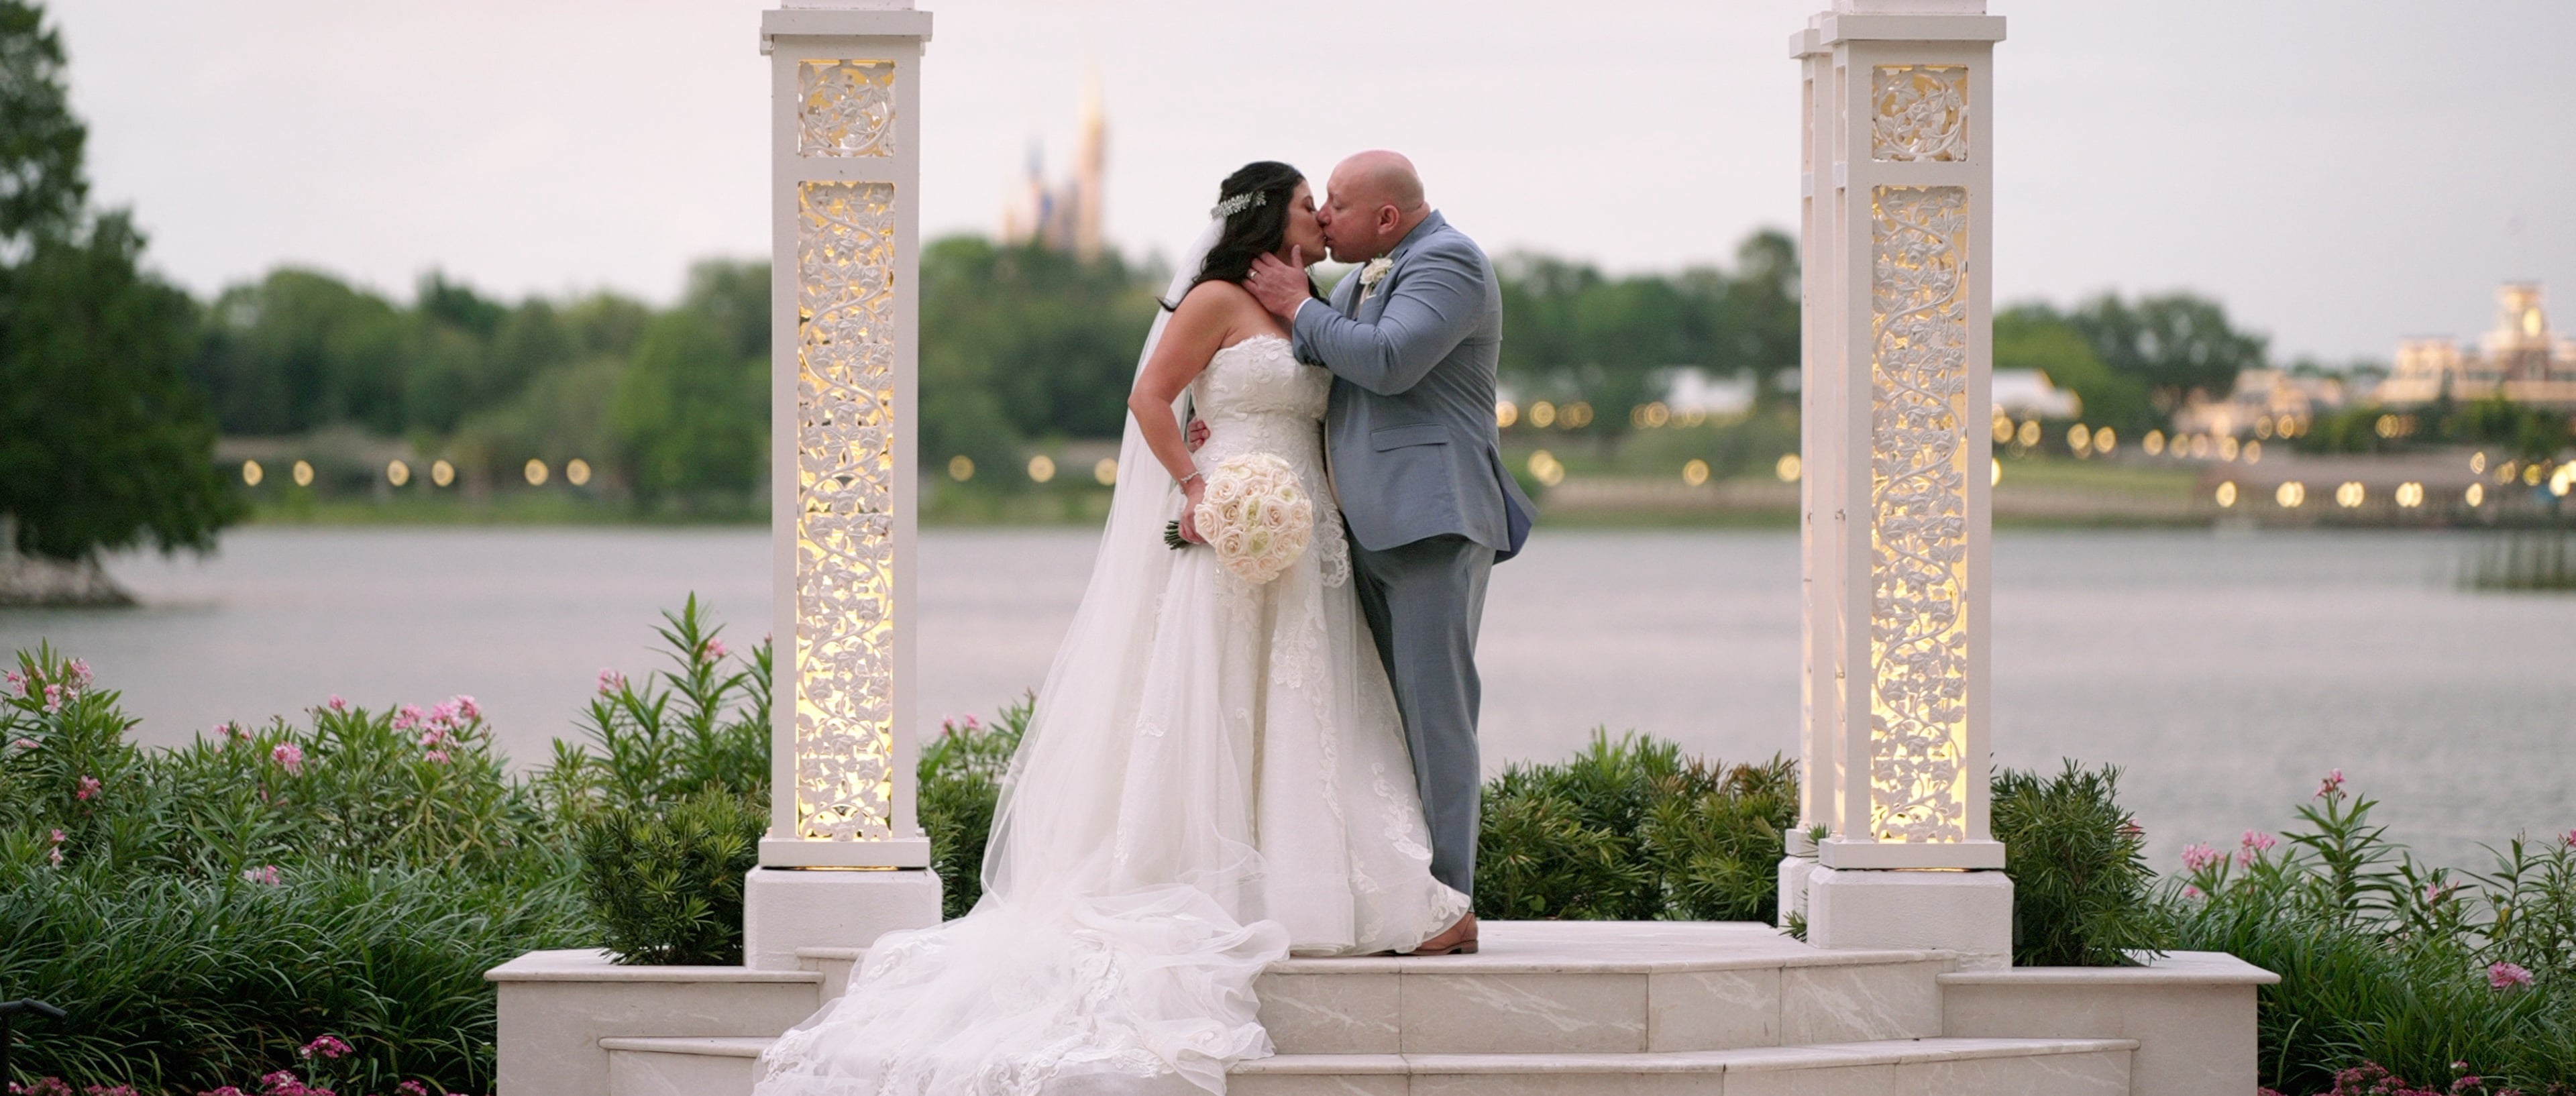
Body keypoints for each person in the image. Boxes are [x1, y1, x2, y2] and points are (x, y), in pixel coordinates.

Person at [752, 161, 1468, 1096]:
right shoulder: (1214, 297)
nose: (1323, 216)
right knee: (1220, 696)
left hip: (1308, 538)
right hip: (1232, 523)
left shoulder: (1316, 302)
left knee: (1314, 698)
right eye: (1308, 203)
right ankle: (1212, 873)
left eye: (1329, 205)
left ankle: (1330, 882)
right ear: (1271, 216)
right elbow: (1150, 398)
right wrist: (1201, 485)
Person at [1242, 150, 1534, 957]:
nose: (1325, 216)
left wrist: (1300, 306)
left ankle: (1449, 908)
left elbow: (1389, 362)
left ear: (1387, 219)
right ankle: (1403, 894)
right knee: (1382, 719)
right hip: (1362, 526)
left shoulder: (1450, 262)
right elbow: (1313, 375)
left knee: (1437, 718)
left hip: (1432, 521)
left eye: (1336, 203)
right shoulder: (1360, 277)